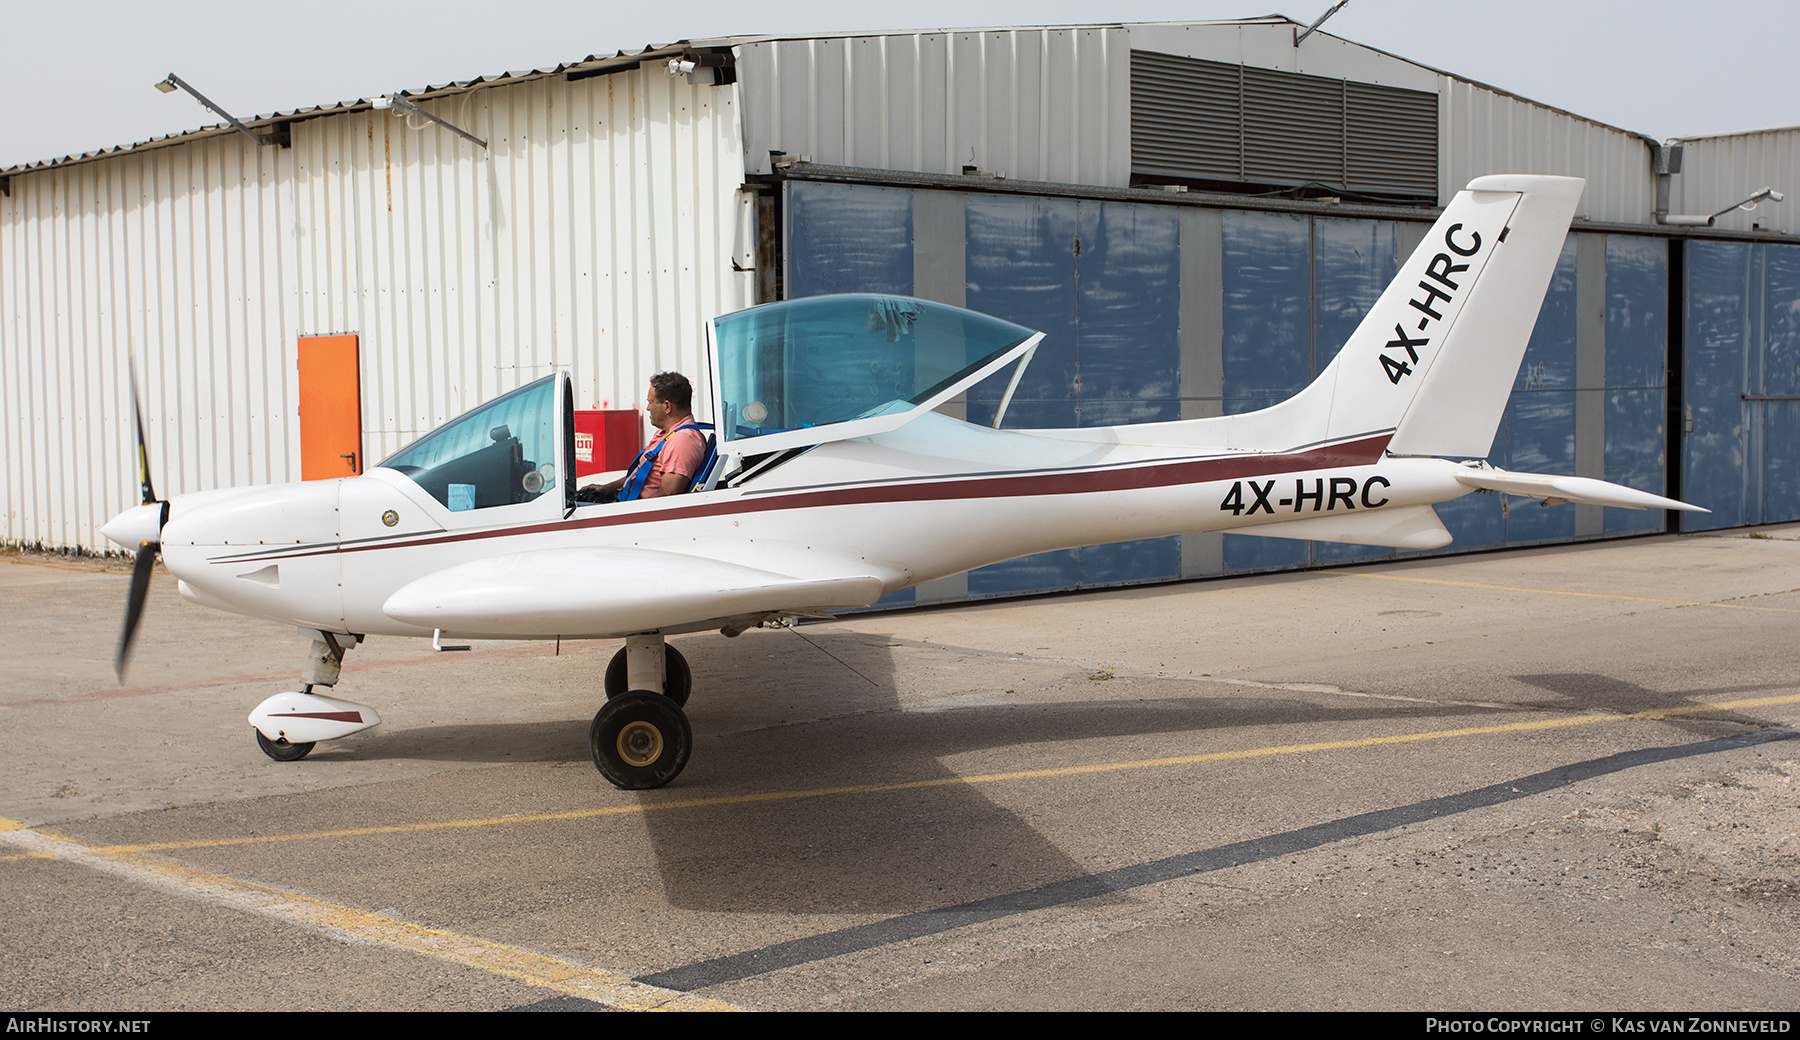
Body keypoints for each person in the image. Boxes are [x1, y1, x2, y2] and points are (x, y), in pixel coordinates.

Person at [578, 372, 709, 503]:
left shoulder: (682, 441)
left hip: (638, 513)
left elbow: (668, 495)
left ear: (667, 406)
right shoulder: (666, 434)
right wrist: (606, 489)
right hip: (627, 502)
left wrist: (625, 511)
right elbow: (640, 476)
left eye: (651, 402)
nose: (647, 408)